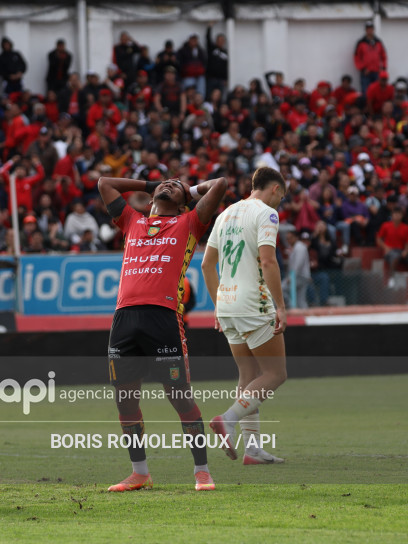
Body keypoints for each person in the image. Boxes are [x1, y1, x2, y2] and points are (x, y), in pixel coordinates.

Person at [97, 173, 227, 492]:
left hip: (163, 319)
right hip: (125, 319)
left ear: (185, 204)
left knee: (179, 397)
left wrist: (188, 190)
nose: (169, 184)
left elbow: (220, 184)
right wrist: (149, 185)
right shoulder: (131, 221)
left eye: (175, 185)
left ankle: (202, 471)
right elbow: (104, 184)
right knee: (125, 401)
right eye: (164, 183)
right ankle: (140, 473)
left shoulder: (190, 223)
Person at [201, 166, 288, 465]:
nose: (279, 204)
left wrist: (217, 305)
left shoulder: (224, 215)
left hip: (227, 304)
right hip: (254, 303)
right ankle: (227, 419)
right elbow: (268, 260)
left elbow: (206, 265)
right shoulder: (266, 213)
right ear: (275, 189)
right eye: (281, 197)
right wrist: (281, 306)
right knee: (276, 374)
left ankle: (252, 450)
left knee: (248, 375)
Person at [353, 20, 387, 94]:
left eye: (371, 28)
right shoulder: (361, 42)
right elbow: (357, 57)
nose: (369, 30)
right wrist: (362, 69)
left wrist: (383, 68)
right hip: (366, 73)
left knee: (378, 92)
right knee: (366, 92)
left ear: (373, 29)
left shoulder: (378, 42)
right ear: (365, 30)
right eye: (368, 28)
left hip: (377, 72)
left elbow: (383, 56)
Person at [205, 24, 228, 99]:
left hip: (221, 80)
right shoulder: (212, 49)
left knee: (220, 97)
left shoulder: (226, 53)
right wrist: (209, 27)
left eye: (222, 40)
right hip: (211, 78)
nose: (220, 42)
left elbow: (227, 67)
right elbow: (208, 39)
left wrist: (226, 78)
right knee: (209, 96)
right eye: (219, 40)